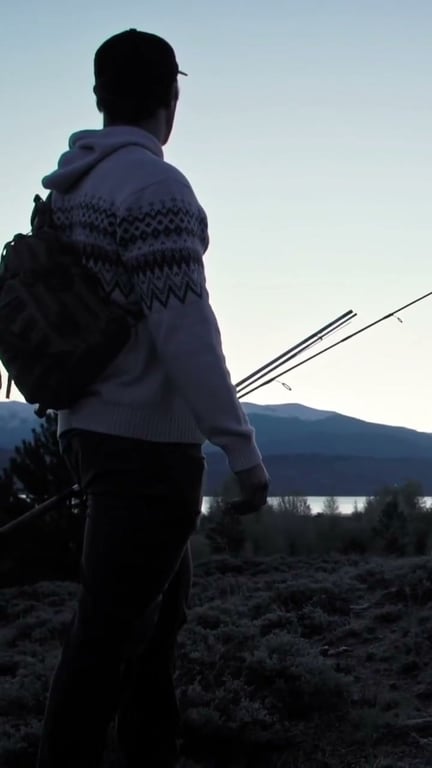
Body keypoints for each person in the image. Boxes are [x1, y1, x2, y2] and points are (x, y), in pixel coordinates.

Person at [36, 29, 269, 768]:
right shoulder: (156, 189)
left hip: (88, 433)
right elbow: (184, 329)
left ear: (99, 96)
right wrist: (241, 450)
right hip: (147, 448)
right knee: (107, 642)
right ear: (171, 97)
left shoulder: (71, 189)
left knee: (151, 632)